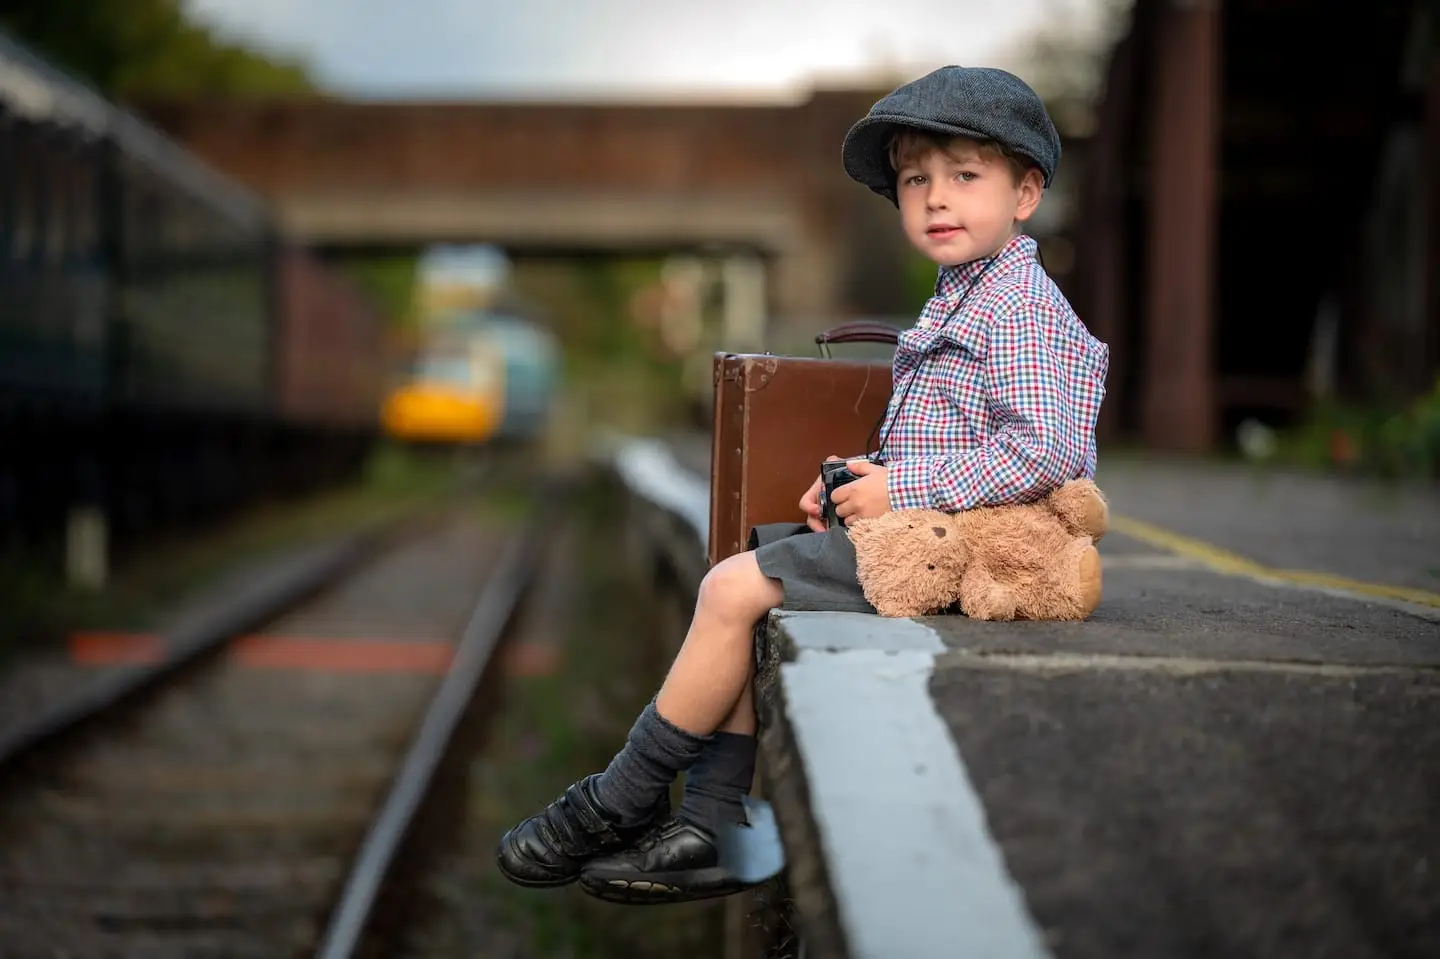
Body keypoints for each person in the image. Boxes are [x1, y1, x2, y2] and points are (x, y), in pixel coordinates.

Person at [495, 64, 1109, 905]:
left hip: (971, 550)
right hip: (930, 528)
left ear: (1026, 192)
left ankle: (621, 799)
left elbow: (1047, 447)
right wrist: (860, 484)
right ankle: (712, 816)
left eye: (966, 177)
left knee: (732, 587)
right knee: (756, 569)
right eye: (915, 181)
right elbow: (950, 433)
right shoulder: (965, 295)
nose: (936, 199)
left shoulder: (1019, 306)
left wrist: (902, 490)